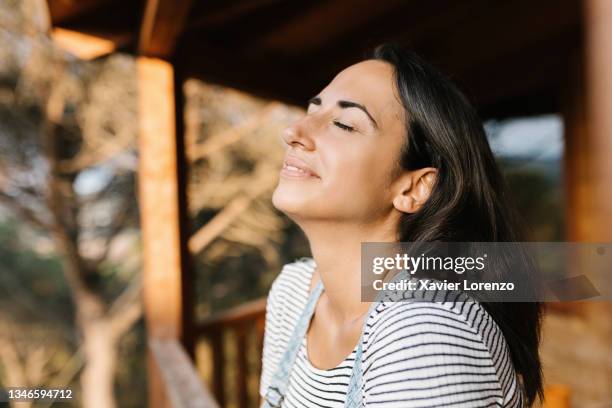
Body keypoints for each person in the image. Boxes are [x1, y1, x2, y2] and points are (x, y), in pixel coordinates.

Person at [259, 43, 543, 407]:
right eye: (311, 110)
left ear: (412, 187)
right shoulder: (293, 293)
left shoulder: (426, 332)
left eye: (344, 124)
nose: (294, 131)